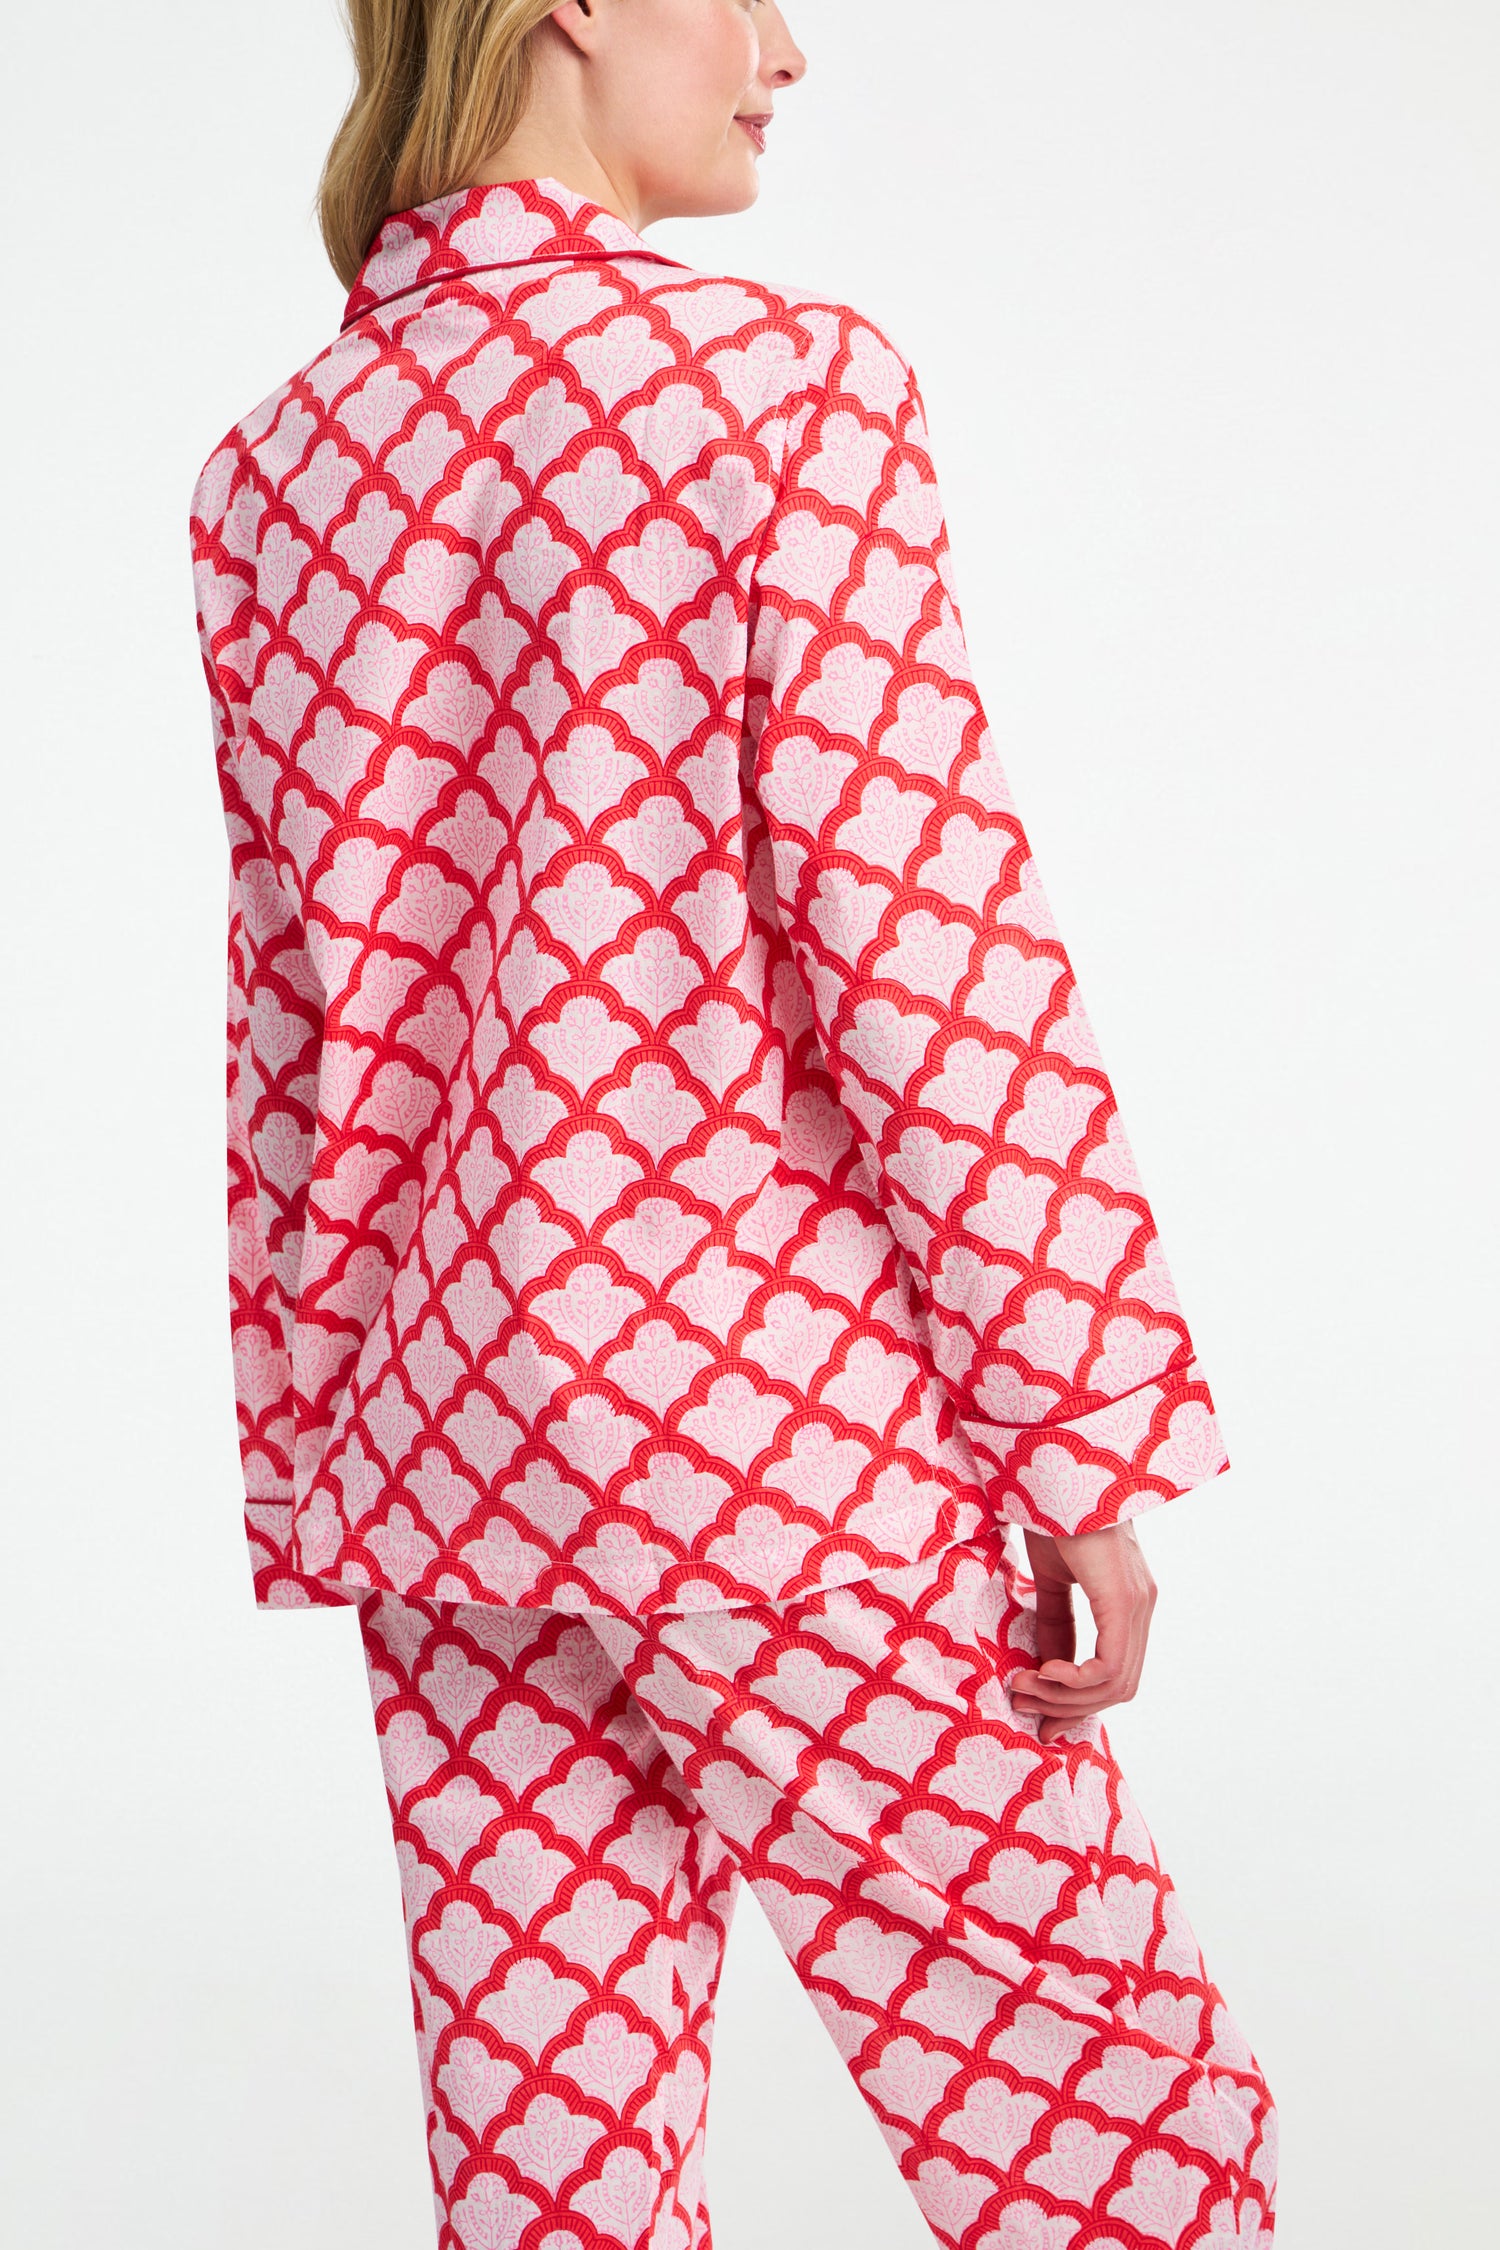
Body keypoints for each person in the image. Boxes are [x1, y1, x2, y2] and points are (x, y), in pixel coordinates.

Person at [189, 2, 1277, 2242]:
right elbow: (923, 939)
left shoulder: (275, 468)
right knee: (1114, 2134)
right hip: (769, 1426)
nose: (790, 49)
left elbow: (292, 1026)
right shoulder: (771, 387)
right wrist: (1081, 1439)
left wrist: (323, 1463)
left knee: (555, 2174)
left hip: (446, 1442)